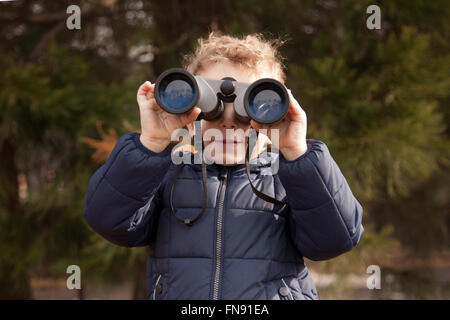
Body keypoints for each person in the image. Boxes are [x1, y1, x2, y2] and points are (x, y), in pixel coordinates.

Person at [84, 32, 364, 300]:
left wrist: (296, 153)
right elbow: (108, 220)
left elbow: (335, 239)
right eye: (211, 107)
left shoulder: (290, 179)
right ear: (189, 109)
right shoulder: (165, 176)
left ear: (281, 109)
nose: (229, 122)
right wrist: (150, 143)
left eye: (251, 107)